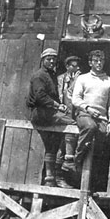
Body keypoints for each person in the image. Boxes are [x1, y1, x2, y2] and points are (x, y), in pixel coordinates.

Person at [26, 48, 75, 187]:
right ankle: (67, 162)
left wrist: (60, 105)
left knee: (51, 146)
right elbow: (40, 96)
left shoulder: (51, 75)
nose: (52, 61)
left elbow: (53, 95)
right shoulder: (39, 76)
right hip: (41, 113)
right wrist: (57, 106)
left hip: (49, 113)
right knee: (72, 125)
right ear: (43, 60)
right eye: (49, 59)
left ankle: (50, 179)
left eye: (54, 58)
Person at [71, 50, 110, 188]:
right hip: (85, 115)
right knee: (90, 127)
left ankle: (91, 182)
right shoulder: (83, 78)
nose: (99, 63)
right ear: (90, 62)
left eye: (101, 60)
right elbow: (76, 99)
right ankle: (77, 161)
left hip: (101, 118)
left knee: (102, 139)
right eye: (95, 61)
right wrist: (88, 108)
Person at [54, 55, 82, 188]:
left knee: (68, 146)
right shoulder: (60, 79)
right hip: (62, 115)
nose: (77, 68)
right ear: (67, 66)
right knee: (61, 146)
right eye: (73, 66)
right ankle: (57, 178)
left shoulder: (79, 79)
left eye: (77, 66)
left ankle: (62, 178)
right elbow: (63, 96)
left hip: (73, 115)